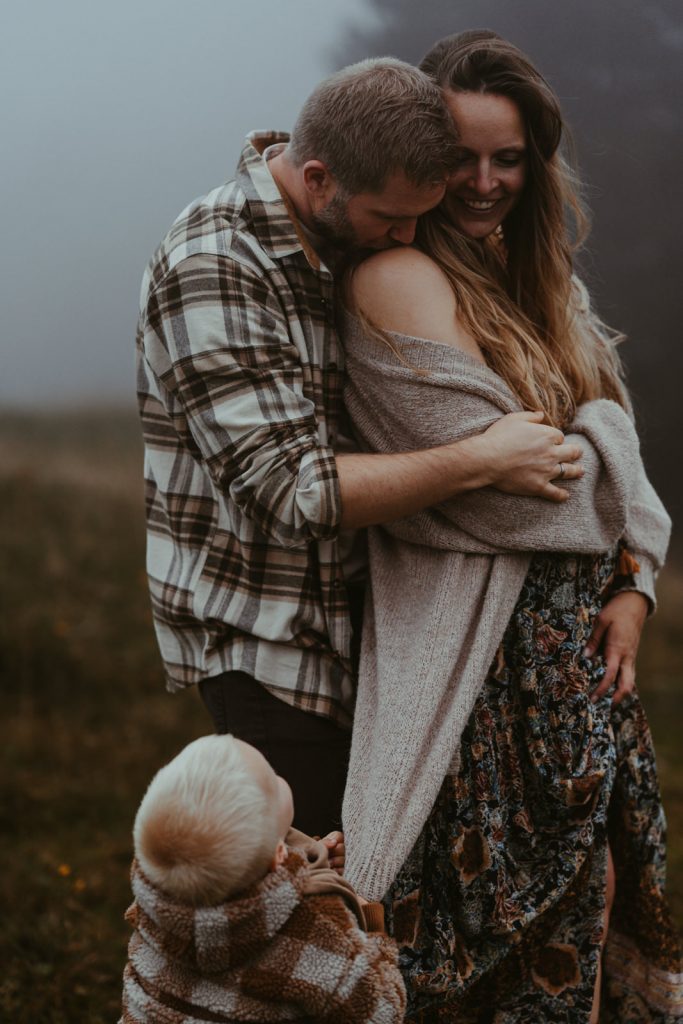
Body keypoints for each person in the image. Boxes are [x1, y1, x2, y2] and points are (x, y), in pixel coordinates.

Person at [136, 57, 585, 843]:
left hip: (369, 639)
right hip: (270, 649)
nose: (408, 237)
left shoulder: (341, 218)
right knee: (292, 916)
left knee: (370, 908)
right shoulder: (214, 263)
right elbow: (297, 492)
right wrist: (484, 457)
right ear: (317, 178)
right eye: (392, 219)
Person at [340, 31, 682, 1023]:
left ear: (535, 163)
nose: (481, 182)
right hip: (477, 668)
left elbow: (597, 461)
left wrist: (632, 583)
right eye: (459, 157)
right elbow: (511, 492)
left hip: (573, 656)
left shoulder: (541, 282)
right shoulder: (397, 278)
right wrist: (594, 444)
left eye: (507, 157)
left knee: (591, 903)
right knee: (476, 934)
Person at [120, 734, 406, 1023]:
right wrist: (368, 921)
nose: (278, 776)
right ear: (278, 856)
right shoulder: (315, 927)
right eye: (271, 776)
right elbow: (382, 1012)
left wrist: (308, 864)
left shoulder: (152, 905)